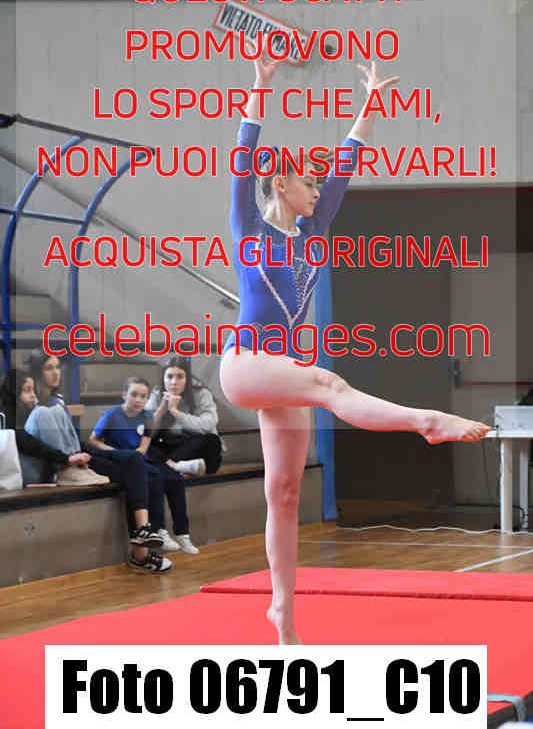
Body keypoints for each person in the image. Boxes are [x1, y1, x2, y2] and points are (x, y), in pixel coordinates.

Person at [218, 50, 491, 644]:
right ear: (280, 183)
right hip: (244, 365)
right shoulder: (249, 227)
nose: (318, 190)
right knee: (328, 383)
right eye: (308, 182)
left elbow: (346, 161)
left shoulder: (314, 234)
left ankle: (283, 615)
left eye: (319, 184)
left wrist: (370, 103)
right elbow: (242, 156)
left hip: (281, 370)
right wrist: (259, 86)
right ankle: (425, 422)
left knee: (284, 493)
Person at [25, 352, 171, 573]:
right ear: (37, 373)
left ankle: (143, 534)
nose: (56, 372)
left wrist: (82, 453)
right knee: (137, 471)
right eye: (49, 368)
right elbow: (30, 442)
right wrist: (69, 459)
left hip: (78, 457)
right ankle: (141, 551)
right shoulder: (32, 405)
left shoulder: (58, 400)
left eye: (57, 367)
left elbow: (73, 439)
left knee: (138, 465)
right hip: (57, 467)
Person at [89, 375, 200, 555]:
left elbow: (143, 447)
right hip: (118, 459)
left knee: (172, 478)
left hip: (138, 459)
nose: (138, 400)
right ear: (124, 394)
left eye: (143, 396)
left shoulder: (147, 416)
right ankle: (158, 529)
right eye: (134, 394)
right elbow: (93, 440)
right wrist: (114, 451)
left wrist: (135, 455)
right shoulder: (111, 415)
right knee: (154, 477)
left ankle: (178, 533)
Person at [0, 368, 94, 485]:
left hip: (44, 468)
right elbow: (24, 441)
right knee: (41, 412)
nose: (33, 395)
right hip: (24, 473)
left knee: (57, 410)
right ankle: (65, 468)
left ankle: (74, 467)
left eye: (33, 390)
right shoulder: (5, 414)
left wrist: (81, 455)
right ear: (14, 392)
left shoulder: (27, 411)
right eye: (27, 390)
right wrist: (65, 459)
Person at [146, 356, 222, 477]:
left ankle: (165, 466)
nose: (173, 382)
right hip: (168, 445)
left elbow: (208, 425)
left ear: (187, 379)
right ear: (163, 379)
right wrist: (161, 410)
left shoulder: (201, 393)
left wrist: (176, 412)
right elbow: (145, 431)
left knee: (212, 441)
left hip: (192, 443)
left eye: (180, 377)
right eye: (169, 376)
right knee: (141, 442)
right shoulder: (157, 394)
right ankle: (176, 466)